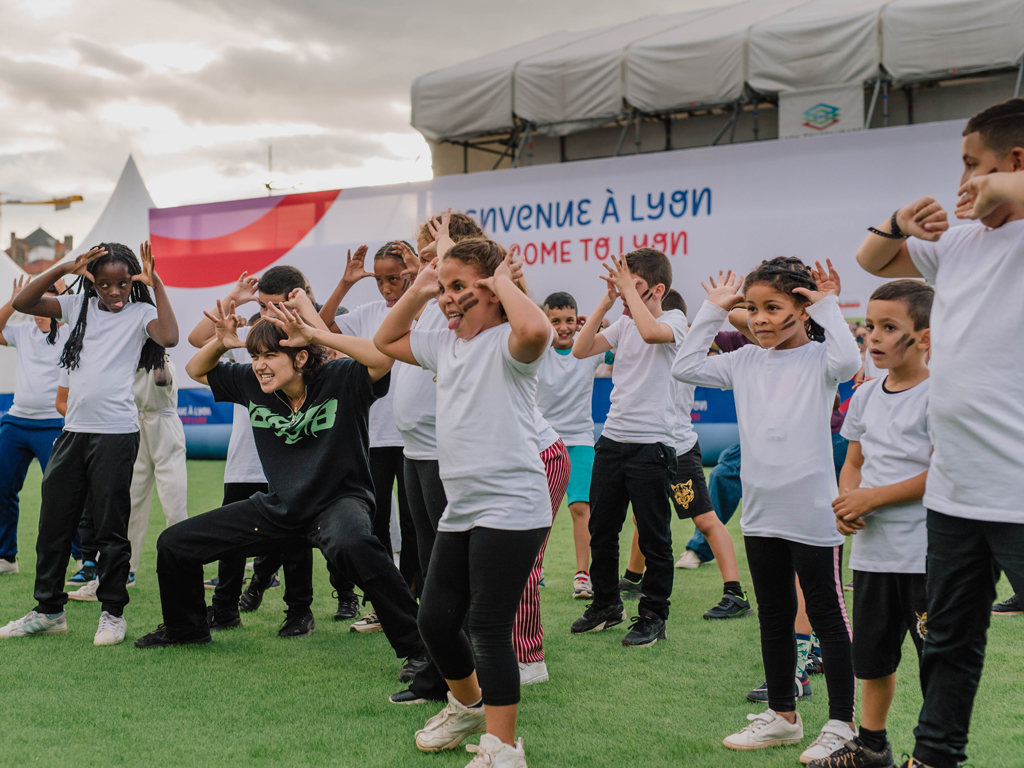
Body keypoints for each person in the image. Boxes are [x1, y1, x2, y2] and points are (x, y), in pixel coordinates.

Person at [856, 97, 1024, 768]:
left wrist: (996, 187)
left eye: (970, 167)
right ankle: (933, 758)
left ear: (1014, 162)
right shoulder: (958, 243)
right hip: (955, 491)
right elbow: (874, 259)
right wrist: (901, 219)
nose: (960, 183)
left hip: (1018, 490)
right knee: (950, 639)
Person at [138, 301, 432, 685]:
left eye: (271, 355)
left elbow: (380, 357)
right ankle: (186, 628)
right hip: (279, 508)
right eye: (255, 355)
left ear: (300, 357)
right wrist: (223, 343)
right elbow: (196, 369)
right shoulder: (252, 384)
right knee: (176, 543)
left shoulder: (340, 378)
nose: (259, 364)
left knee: (356, 544)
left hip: (338, 504)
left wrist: (315, 332)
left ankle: (421, 649)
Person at [374, 216, 553, 768]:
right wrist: (426, 285)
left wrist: (502, 283)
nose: (450, 300)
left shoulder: (509, 342)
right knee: (433, 619)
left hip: (514, 504)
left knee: (489, 625)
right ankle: (468, 705)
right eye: (446, 288)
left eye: (461, 289)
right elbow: (384, 340)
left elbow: (538, 332)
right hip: (465, 505)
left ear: (496, 293)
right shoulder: (443, 345)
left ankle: (503, 749)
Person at [673, 259, 861, 762]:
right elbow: (683, 366)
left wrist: (828, 305)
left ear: (802, 310)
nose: (757, 318)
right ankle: (783, 716)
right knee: (774, 615)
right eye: (751, 308)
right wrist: (713, 311)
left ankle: (843, 723)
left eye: (772, 308)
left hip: (813, 514)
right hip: (761, 514)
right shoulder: (743, 363)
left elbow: (848, 363)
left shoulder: (820, 359)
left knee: (826, 616)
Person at [0, 242, 178, 646]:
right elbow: (25, 302)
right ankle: (49, 611)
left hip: (117, 433)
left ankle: (113, 613)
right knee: (53, 523)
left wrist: (158, 284)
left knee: (110, 528)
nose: (114, 292)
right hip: (73, 431)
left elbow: (169, 336)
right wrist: (64, 266)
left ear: (132, 281)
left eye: (121, 283)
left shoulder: (141, 312)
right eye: (104, 284)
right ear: (91, 281)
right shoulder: (76, 306)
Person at [805, 280, 934, 768]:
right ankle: (872, 745)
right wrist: (847, 501)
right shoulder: (863, 395)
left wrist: (871, 498)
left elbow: (943, 470)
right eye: (868, 328)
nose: (873, 338)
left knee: (935, 662)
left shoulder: (940, 394)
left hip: (926, 553)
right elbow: (854, 460)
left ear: (924, 337)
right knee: (873, 659)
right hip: (874, 555)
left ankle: (932, 755)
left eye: (888, 327)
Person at [187, 267, 328, 637]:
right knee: (230, 536)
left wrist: (305, 311)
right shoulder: (254, 332)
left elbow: (330, 349)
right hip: (245, 457)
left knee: (295, 538)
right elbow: (195, 339)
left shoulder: (304, 341)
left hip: (291, 457)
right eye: (263, 306)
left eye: (275, 305)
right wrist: (236, 296)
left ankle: (299, 612)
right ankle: (224, 608)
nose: (268, 313)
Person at [569, 248, 688, 647]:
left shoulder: (674, 320)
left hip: (652, 445)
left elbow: (652, 333)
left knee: (654, 536)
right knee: (602, 528)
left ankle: (654, 615)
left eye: (632, 284)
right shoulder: (622, 322)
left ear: (657, 288)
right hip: (612, 440)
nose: (623, 291)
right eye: (622, 284)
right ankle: (606, 605)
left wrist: (626, 296)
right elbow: (579, 349)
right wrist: (607, 298)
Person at [319, 240, 422, 631]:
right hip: (373, 436)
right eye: (379, 280)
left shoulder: (426, 310)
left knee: (414, 525)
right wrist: (346, 284)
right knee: (376, 522)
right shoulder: (368, 313)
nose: (386, 288)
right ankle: (384, 603)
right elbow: (321, 326)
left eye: (393, 279)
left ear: (410, 271)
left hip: (415, 438)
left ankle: (414, 599)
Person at [0, 276, 69, 576]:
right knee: (2, 489)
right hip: (15, 422)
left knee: (62, 495)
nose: (39, 310)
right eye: (34, 303)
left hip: (53, 425)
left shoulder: (71, 333)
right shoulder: (23, 332)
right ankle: (6, 558)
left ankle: (83, 560)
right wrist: (14, 301)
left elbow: (88, 319)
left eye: (45, 302)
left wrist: (66, 293)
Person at [535, 291, 602, 599]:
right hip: (541, 442)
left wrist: (598, 327)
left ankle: (582, 576)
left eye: (570, 320)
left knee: (579, 507)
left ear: (579, 321)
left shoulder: (590, 349)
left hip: (580, 441)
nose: (563, 327)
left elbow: (624, 345)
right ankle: (535, 569)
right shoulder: (536, 352)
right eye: (555, 321)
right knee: (538, 510)